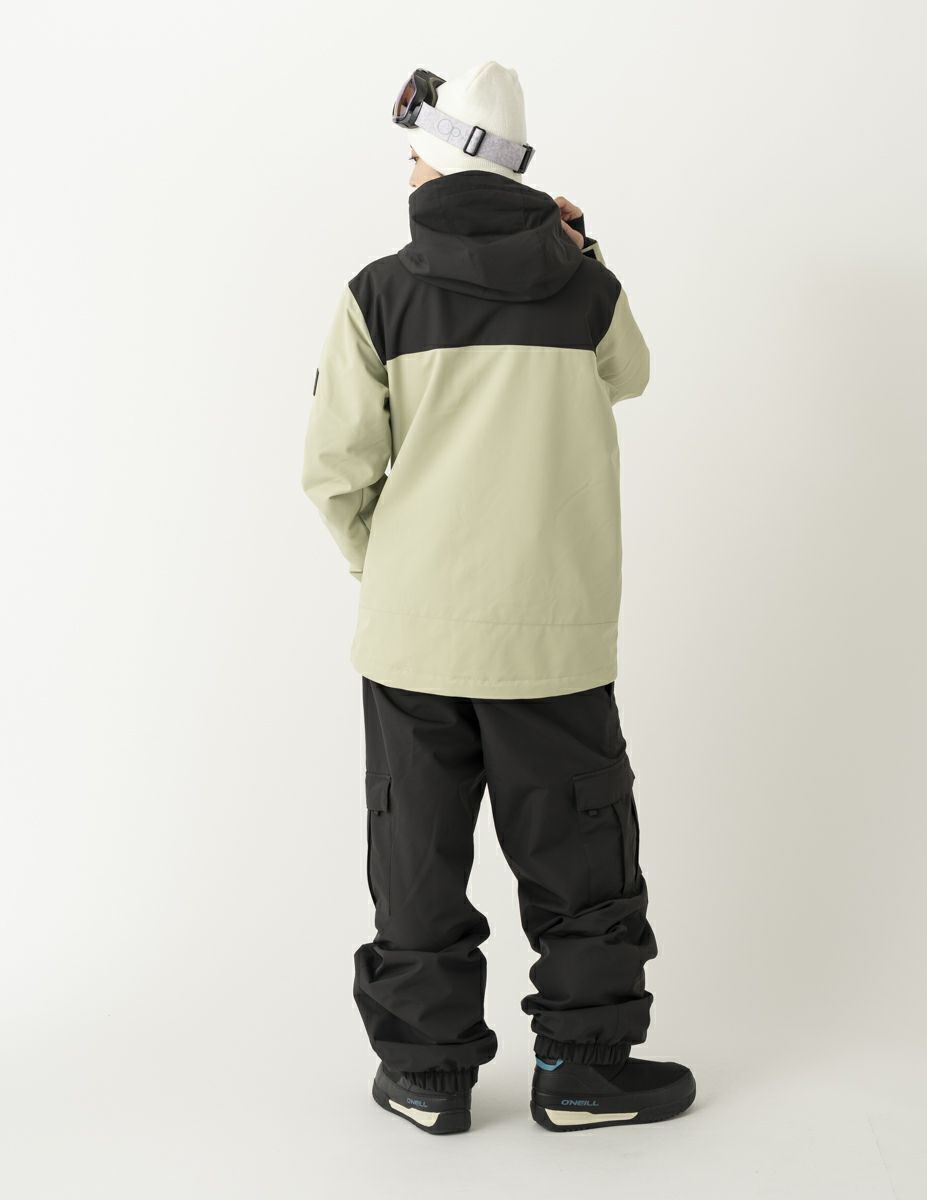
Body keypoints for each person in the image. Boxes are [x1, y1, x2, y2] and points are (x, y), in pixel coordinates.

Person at [301, 61, 696, 1135]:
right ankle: (581, 1071)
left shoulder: (376, 294)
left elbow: (333, 475)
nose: (406, 170)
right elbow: (631, 375)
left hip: (412, 642)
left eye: (412, 154)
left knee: (417, 857)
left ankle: (426, 1078)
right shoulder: (585, 291)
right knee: (581, 853)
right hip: (552, 639)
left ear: (434, 162)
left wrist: (395, 579)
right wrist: (582, 247)